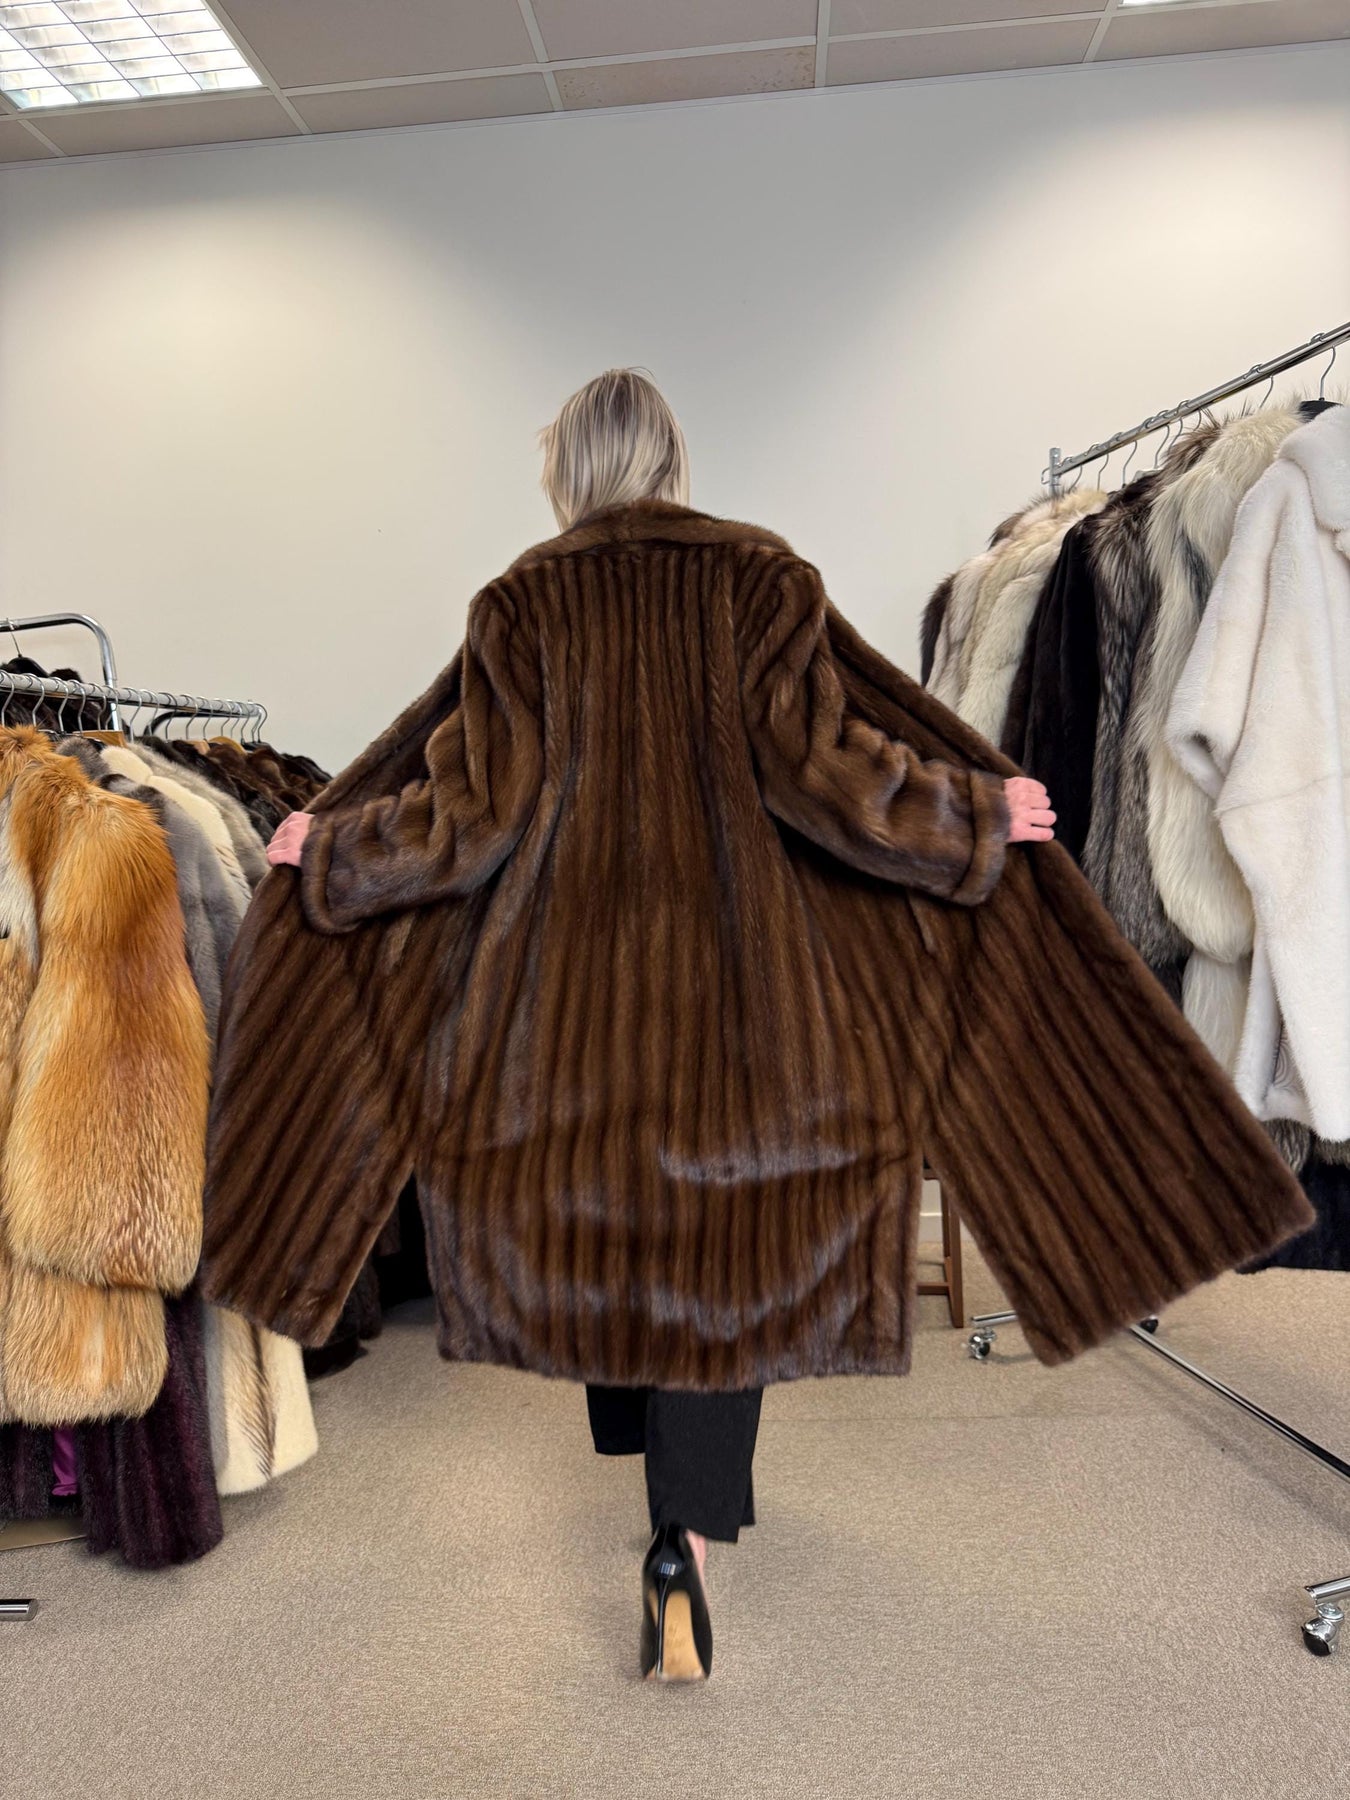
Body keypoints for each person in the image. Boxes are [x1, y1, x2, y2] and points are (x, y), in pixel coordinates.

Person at [263, 370, 1055, 1683]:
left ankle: (659, 1497)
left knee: (620, 1242)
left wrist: (333, 850)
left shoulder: (522, 603)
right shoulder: (760, 579)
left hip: (566, 1007)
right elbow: (830, 776)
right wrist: (969, 817)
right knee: (720, 1269)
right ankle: (681, 1537)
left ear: (569, 472)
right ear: (673, 458)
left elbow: (469, 814)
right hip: (743, 998)